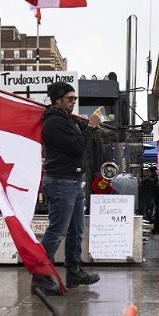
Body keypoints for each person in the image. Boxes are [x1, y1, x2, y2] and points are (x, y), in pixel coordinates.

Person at [37, 82, 101, 295]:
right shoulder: (54, 123)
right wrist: (90, 127)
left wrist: (87, 128)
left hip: (72, 181)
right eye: (70, 98)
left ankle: (73, 271)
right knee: (57, 231)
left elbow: (79, 141)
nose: (74, 102)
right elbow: (77, 147)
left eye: (75, 98)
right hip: (61, 182)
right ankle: (41, 278)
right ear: (57, 100)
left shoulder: (66, 120)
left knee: (76, 230)